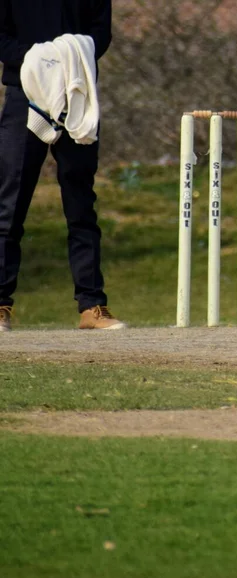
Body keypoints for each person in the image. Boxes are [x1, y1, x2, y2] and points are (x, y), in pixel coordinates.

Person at [0, 0, 125, 332]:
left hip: (76, 93)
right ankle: (0, 305)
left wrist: (68, 59)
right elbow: (2, 38)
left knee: (81, 201)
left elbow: (101, 33)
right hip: (24, 94)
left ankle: (92, 305)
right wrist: (42, 62)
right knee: (10, 203)